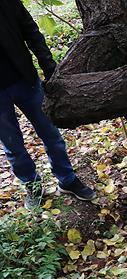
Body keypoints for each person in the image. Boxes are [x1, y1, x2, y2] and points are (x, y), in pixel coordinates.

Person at [0, 0, 96, 209]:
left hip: (25, 81)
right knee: (13, 147)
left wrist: (49, 67)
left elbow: (31, 31)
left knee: (50, 133)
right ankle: (32, 186)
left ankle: (67, 179)